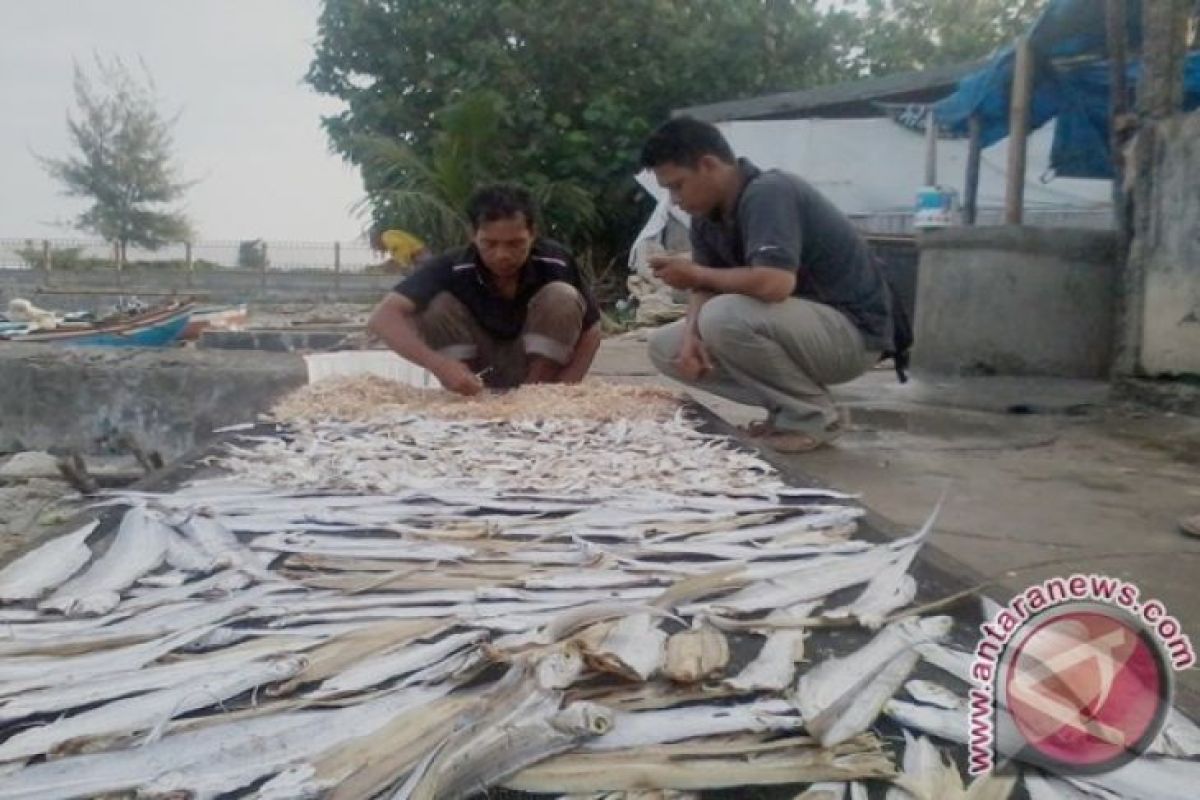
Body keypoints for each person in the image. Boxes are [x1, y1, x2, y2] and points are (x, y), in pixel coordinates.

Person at [639, 117, 892, 452]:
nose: (674, 200)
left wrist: (695, 274)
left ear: (708, 165)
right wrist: (690, 339)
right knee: (665, 348)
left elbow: (775, 283)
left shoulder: (769, 193)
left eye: (677, 185)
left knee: (722, 316)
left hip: (852, 335)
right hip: (796, 330)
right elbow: (705, 286)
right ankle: (789, 407)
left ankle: (811, 417)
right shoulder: (706, 217)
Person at [367, 184, 603, 396]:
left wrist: (566, 388)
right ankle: (468, 393)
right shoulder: (453, 266)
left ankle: (534, 393)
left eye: (515, 244)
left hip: (537, 370)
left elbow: (592, 329)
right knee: (435, 303)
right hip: (475, 372)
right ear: (473, 235)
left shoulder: (555, 262)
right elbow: (384, 317)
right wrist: (439, 365)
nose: (503, 255)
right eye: (490, 244)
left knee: (562, 296)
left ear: (532, 234)